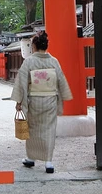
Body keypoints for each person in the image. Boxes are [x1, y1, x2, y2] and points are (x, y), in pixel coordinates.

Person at [10, 31, 73, 174]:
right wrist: (64, 95)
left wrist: (20, 101)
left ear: (34, 46)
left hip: (34, 100)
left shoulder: (29, 61)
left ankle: (31, 157)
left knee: (32, 129)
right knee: (49, 130)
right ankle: (48, 162)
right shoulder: (54, 61)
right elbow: (61, 80)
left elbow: (22, 83)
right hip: (50, 100)